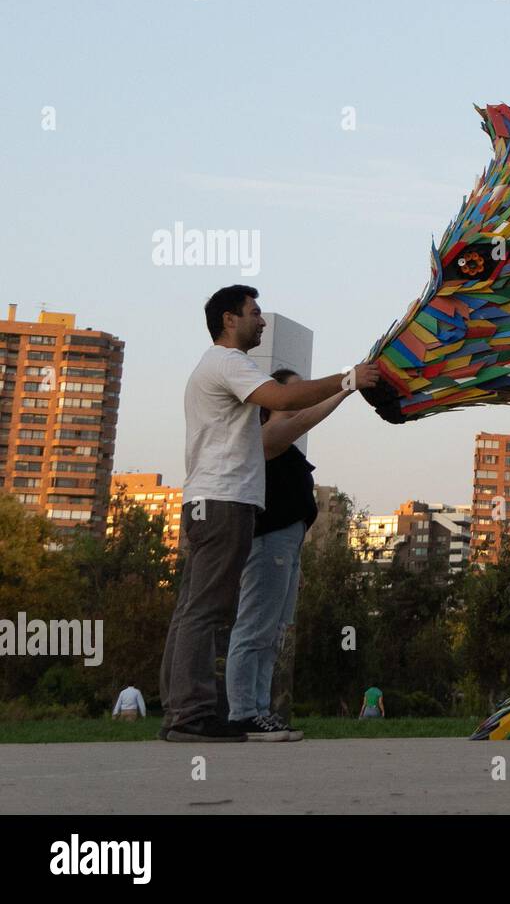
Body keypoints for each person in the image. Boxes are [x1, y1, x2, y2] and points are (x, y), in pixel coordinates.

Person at [159, 285, 379, 743]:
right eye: (254, 313)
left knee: (194, 609)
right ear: (229, 320)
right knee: (208, 611)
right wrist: (347, 380)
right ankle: (193, 715)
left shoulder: (217, 365)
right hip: (223, 501)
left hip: (215, 500)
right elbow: (282, 403)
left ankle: (186, 711)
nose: (262, 321)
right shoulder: (227, 362)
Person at [225, 368, 351, 743]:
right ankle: (243, 713)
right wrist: (345, 388)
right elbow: (305, 416)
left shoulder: (283, 442)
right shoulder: (265, 436)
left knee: (273, 633)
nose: (302, 400)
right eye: (295, 394)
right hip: (268, 543)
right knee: (254, 628)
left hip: (285, 547)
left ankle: (259, 711)